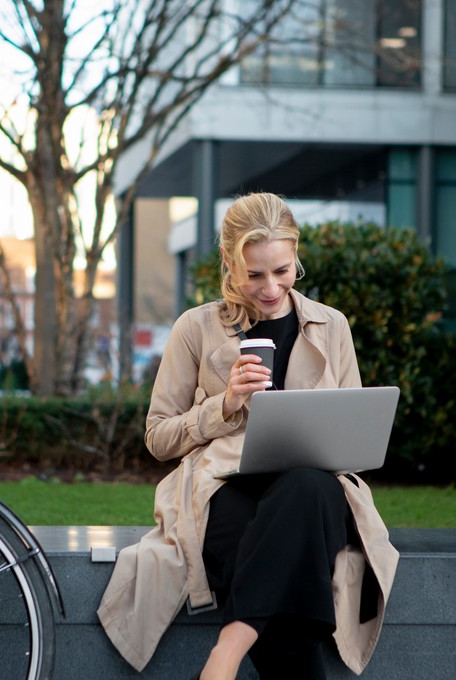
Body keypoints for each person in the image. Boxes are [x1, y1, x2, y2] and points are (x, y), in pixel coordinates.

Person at [98, 193, 399, 678]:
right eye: (255, 274)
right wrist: (224, 405)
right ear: (229, 263)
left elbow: (352, 429)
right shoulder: (195, 328)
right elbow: (158, 437)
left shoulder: (331, 326)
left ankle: (227, 652)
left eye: (282, 270)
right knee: (279, 564)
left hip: (314, 491)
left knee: (305, 487)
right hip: (224, 488)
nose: (271, 288)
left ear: (295, 256)